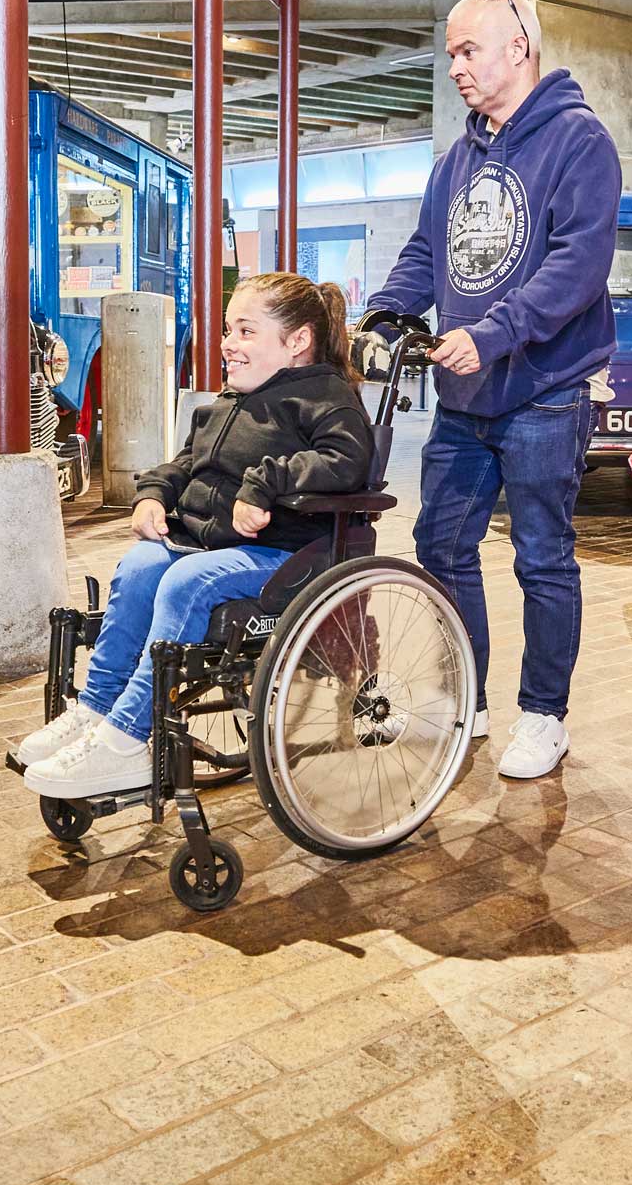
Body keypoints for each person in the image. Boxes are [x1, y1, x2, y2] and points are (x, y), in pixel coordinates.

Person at [365, 0, 620, 781]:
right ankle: (468, 697)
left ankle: (544, 715)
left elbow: (579, 266)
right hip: (466, 397)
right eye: (450, 55)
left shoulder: (580, 142)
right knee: (441, 544)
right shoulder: (456, 159)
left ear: (520, 48)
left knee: (543, 558)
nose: (457, 69)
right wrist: (381, 314)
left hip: (545, 392)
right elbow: (426, 255)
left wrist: (496, 332)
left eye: (468, 51)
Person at [18, 273, 374, 800]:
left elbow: (347, 460)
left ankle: (127, 740)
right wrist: (153, 495)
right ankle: (96, 710)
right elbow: (188, 461)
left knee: (186, 581)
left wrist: (265, 485)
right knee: (141, 566)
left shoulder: (326, 398)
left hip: (288, 555)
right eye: (229, 329)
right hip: (213, 543)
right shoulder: (231, 401)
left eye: (246, 331)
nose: (228, 343)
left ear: (297, 340)